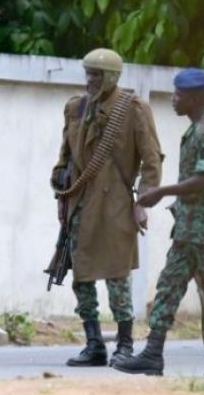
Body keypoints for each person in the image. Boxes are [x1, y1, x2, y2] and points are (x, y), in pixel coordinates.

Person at [114, 68, 204, 377]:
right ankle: (152, 354)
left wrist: (161, 192)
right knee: (168, 288)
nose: (173, 100)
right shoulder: (194, 131)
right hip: (190, 230)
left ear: (194, 98)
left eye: (178, 95)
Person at [50, 48, 163, 367]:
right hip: (80, 204)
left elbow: (151, 161)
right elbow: (66, 159)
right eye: (88, 73)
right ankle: (94, 344)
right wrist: (62, 195)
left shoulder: (133, 109)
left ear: (112, 76)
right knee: (81, 278)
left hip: (115, 205)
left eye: (97, 74)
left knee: (117, 277)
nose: (90, 80)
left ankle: (124, 344)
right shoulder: (76, 107)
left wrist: (143, 202)